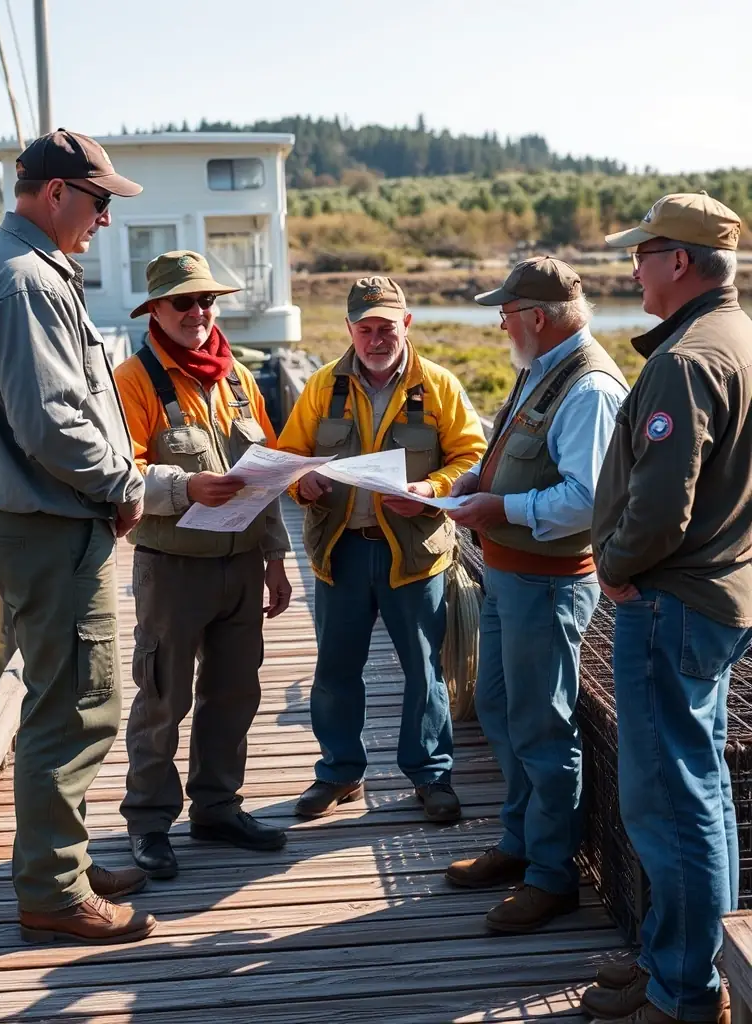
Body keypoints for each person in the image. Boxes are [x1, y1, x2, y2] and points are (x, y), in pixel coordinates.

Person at [582, 193, 752, 1024]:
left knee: (668, 802)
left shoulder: (687, 359)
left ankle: (684, 994)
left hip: (671, 602)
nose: (633, 268)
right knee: (701, 789)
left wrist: (612, 565)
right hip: (718, 598)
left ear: (679, 261)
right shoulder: (740, 337)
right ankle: (675, 962)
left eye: (642, 253)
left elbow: (660, 506)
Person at [0, 129, 156, 944]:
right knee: (79, 702)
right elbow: (50, 421)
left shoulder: (22, 269)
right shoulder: (25, 281)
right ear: (55, 193)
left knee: (71, 695)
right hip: (51, 524)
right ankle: (53, 894)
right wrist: (124, 484)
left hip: (38, 521)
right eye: (97, 202)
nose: (104, 221)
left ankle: (66, 860)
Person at [444, 257, 628, 933]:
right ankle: (520, 844)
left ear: (537, 318)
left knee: (544, 729)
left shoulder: (590, 389)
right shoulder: (541, 369)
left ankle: (552, 876)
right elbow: (508, 455)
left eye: (506, 313)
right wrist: (470, 483)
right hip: (508, 573)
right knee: (500, 706)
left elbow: (589, 498)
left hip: (547, 584)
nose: (500, 324)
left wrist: (501, 508)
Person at [277, 276, 486, 821]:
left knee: (424, 670)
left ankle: (431, 775)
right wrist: (304, 485)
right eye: (365, 328)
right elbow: (289, 456)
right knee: (334, 671)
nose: (375, 339)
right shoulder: (322, 386)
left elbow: (472, 458)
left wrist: (433, 492)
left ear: (407, 324)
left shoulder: (439, 385)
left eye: (386, 327)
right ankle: (340, 771)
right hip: (340, 553)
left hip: (415, 555)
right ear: (349, 328)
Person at [114, 251, 292, 878]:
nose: (198, 313)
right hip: (173, 570)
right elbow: (120, 475)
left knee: (235, 693)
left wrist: (274, 557)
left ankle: (217, 808)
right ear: (155, 310)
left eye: (207, 301)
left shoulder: (238, 378)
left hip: (242, 566)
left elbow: (266, 473)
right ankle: (148, 821)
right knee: (163, 696)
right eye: (183, 302)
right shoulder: (130, 380)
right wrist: (184, 487)